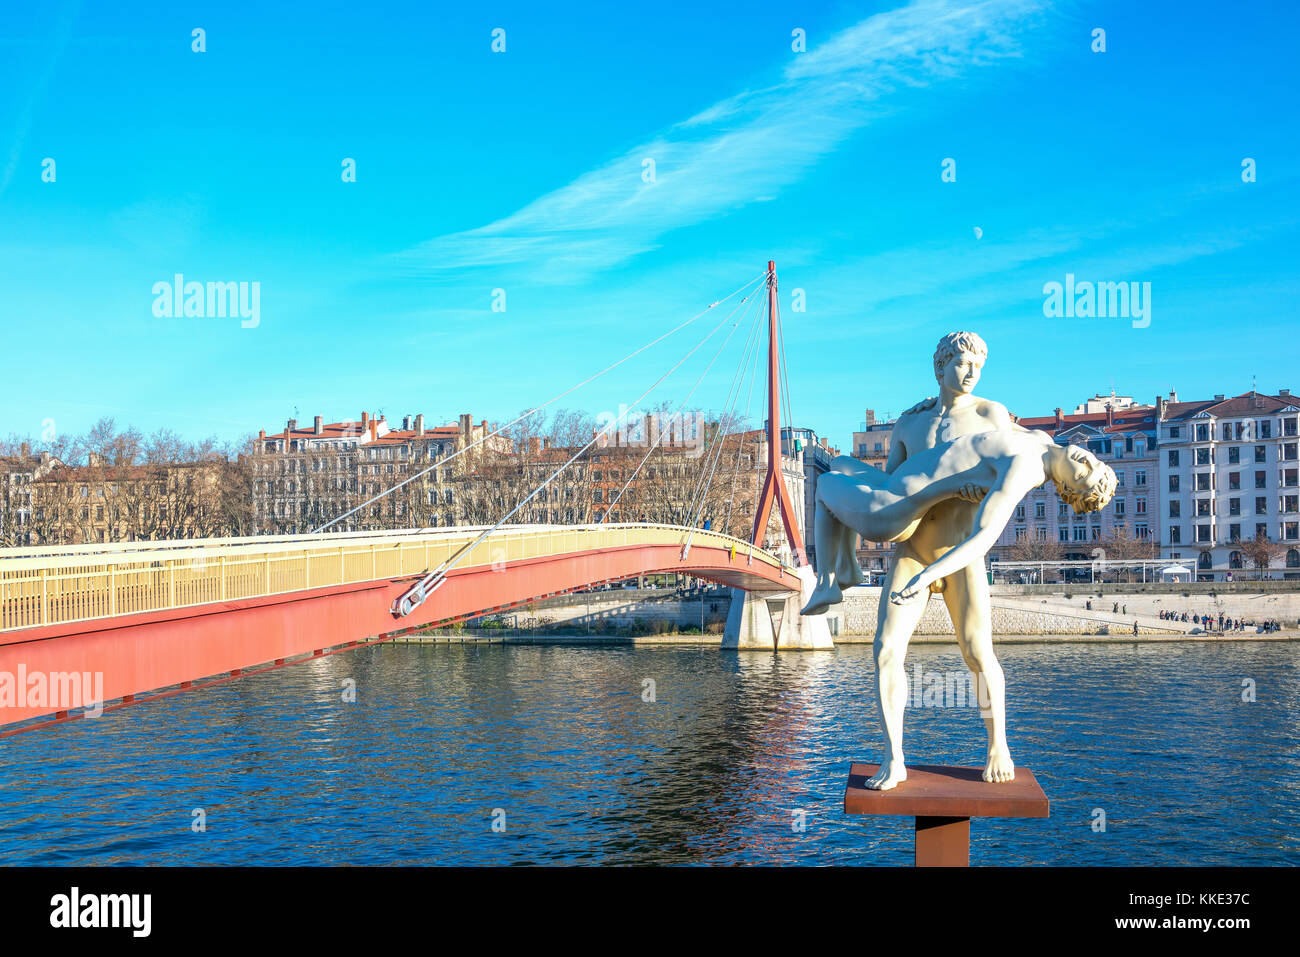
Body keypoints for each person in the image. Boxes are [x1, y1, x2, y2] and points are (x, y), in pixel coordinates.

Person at [804, 422, 1117, 609]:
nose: (1085, 461)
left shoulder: (1025, 470)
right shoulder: (1044, 441)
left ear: (1065, 487)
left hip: (890, 508)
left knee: (824, 485)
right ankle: (848, 569)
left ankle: (828, 582)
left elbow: (983, 538)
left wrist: (928, 575)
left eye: (1081, 474)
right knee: (840, 463)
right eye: (1093, 463)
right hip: (890, 484)